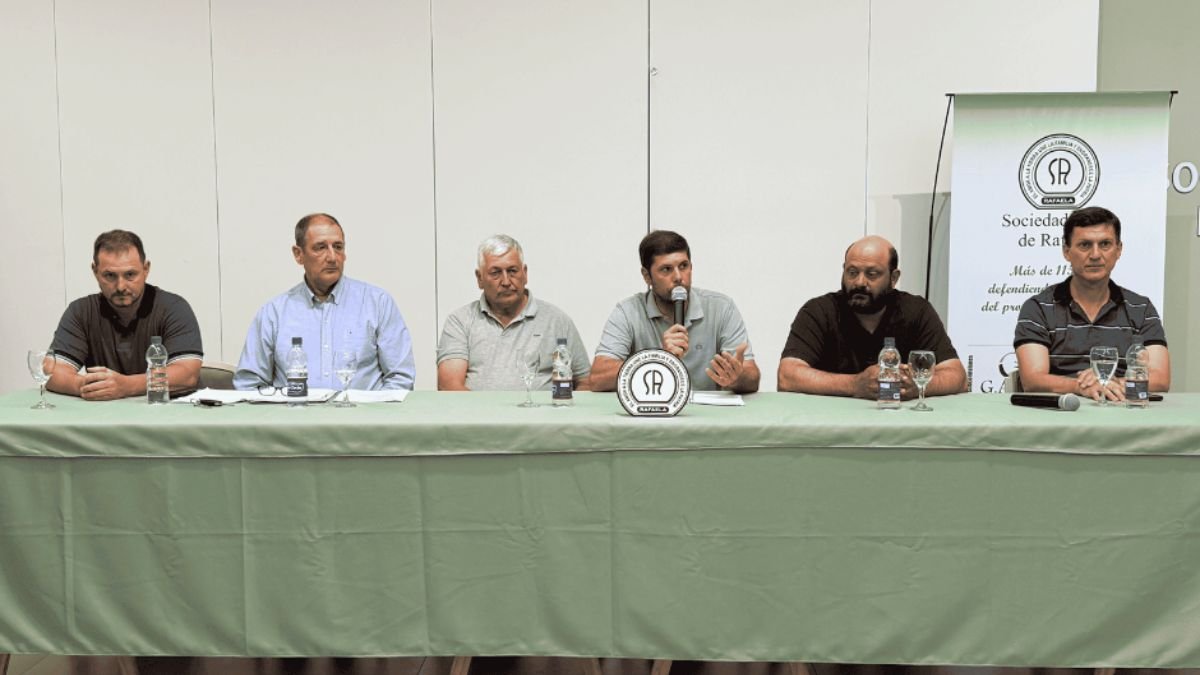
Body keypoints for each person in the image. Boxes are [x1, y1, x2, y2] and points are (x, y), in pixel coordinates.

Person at [234, 213, 415, 391]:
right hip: (295, 410)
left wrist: (375, 410)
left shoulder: (377, 304)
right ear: (298, 254)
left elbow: (401, 378)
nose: (332, 257)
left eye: (338, 247)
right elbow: (248, 384)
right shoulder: (274, 313)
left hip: (363, 411)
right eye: (320, 247)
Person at [778, 235, 965, 399]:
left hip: (899, 421)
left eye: (872, 274)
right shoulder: (819, 311)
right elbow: (787, 376)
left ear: (893, 278)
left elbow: (958, 376)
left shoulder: (916, 311)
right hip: (832, 422)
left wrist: (918, 387)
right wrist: (854, 385)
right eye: (852, 272)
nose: (859, 282)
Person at [1014, 206, 1169, 401]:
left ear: (1119, 250)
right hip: (1062, 412)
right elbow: (1032, 380)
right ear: (1066, 251)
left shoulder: (1141, 309)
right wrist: (1081, 387)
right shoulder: (1038, 308)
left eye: (1105, 244)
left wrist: (1110, 382)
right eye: (1085, 245)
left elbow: (1161, 379)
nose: (1095, 255)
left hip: (1124, 409)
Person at [590, 230, 759, 392]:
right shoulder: (627, 311)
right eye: (666, 269)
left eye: (684, 266)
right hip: (652, 409)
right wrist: (658, 359)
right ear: (647, 276)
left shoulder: (721, 307)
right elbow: (598, 379)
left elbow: (752, 377)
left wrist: (737, 378)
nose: (678, 277)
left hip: (706, 410)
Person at [46, 230, 203, 400]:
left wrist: (126, 386)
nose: (120, 286)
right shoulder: (81, 311)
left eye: (130, 275)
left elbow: (187, 375)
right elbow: (51, 370)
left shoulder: (173, 308)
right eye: (110, 276)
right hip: (103, 413)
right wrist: (87, 386)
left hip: (164, 411)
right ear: (95, 271)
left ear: (146, 269)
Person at [437, 234, 590, 391]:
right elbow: (450, 386)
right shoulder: (460, 321)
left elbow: (585, 382)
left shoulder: (556, 321)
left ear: (525, 273)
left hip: (540, 408)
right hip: (478, 408)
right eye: (495, 273)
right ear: (480, 278)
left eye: (512, 271)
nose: (506, 282)